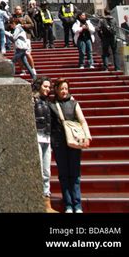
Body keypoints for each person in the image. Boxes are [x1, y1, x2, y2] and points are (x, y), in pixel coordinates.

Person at [50, 78, 91, 213]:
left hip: (74, 141)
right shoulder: (51, 104)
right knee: (63, 174)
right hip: (59, 143)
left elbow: (82, 120)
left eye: (66, 89)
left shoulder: (74, 103)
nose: (64, 91)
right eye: (61, 88)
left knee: (75, 173)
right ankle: (68, 204)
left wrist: (87, 135)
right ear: (56, 89)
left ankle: (77, 204)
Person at [32, 77, 58, 213]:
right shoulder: (31, 99)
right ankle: (37, 201)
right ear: (39, 86)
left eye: (49, 87)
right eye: (45, 86)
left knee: (46, 172)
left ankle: (47, 203)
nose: (48, 89)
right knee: (39, 171)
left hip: (47, 138)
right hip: (36, 137)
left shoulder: (49, 102)